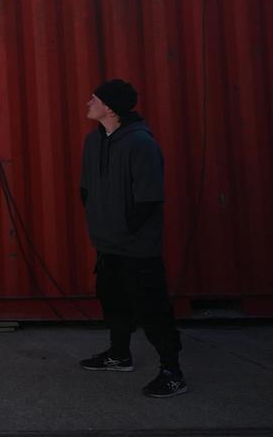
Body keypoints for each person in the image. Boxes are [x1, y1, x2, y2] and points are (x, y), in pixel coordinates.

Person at [78, 79, 186, 398]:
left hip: (138, 248)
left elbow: (149, 199)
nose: (88, 103)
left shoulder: (141, 143)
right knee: (113, 301)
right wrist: (101, 224)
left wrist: (124, 229)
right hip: (106, 244)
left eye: (94, 99)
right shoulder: (93, 142)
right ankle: (119, 355)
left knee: (152, 309)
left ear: (110, 107)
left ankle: (172, 371)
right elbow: (86, 189)